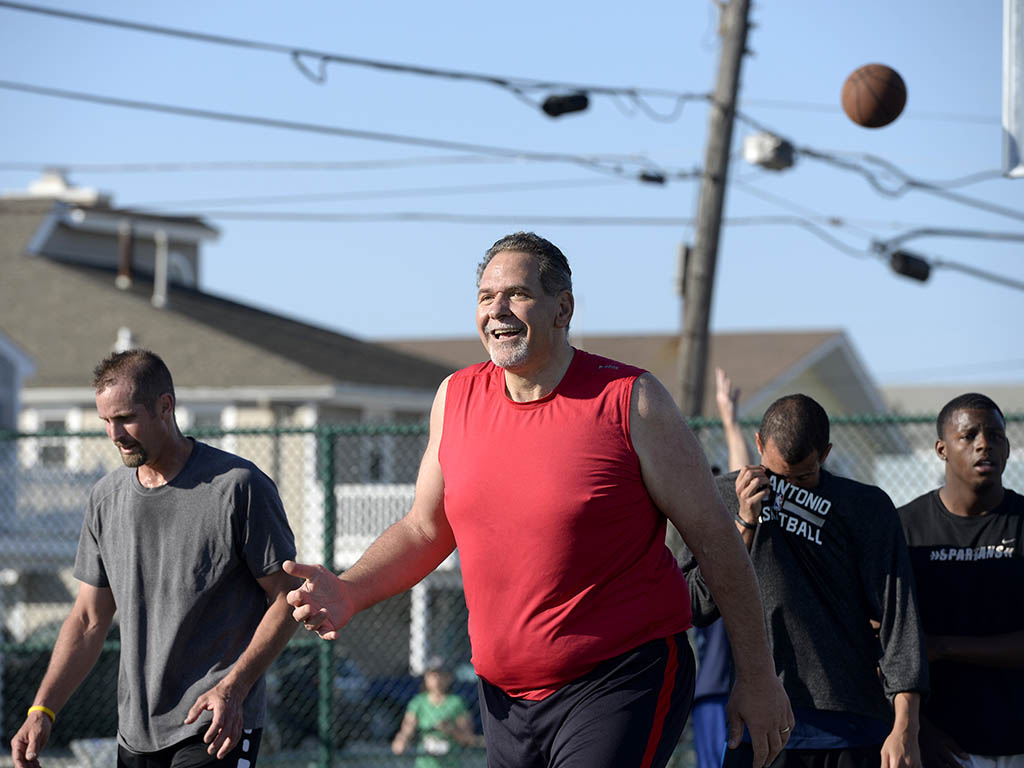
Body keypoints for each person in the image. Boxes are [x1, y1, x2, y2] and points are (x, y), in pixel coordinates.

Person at [283, 232, 792, 768]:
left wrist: (757, 678)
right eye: (484, 297)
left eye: (517, 294)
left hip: (620, 678)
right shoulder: (455, 397)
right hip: (503, 700)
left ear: (562, 308)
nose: (496, 310)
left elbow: (715, 539)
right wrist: (349, 590)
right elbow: (424, 530)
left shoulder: (630, 400)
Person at [9, 349, 300, 768]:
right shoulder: (105, 499)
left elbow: (287, 599)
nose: (114, 433)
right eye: (105, 421)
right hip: (136, 733)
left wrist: (234, 689)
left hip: (214, 724)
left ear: (166, 406)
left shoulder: (239, 487)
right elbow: (89, 619)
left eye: (125, 418)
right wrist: (42, 710)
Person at [682, 393, 928, 768]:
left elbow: (899, 619)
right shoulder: (721, 499)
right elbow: (694, 604)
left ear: (825, 454)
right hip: (762, 723)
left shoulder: (865, 507)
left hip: (853, 726)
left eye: (804, 477)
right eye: (779, 477)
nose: (790, 487)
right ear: (759, 445)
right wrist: (745, 523)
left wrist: (905, 727)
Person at [898, 393, 1024, 768]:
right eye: (968, 436)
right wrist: (915, 729)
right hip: (942, 746)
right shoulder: (904, 529)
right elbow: (880, 645)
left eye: (995, 435)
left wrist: (942, 646)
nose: (984, 443)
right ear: (941, 449)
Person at [691, 368, 751, 768]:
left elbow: (741, 482)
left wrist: (730, 421)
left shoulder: (739, 535)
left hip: (744, 683)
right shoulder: (685, 547)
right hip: (709, 691)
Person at [391, 659, 482, 768]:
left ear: (449, 678)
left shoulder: (456, 703)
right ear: (426, 678)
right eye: (432, 675)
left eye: (441, 675)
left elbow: (468, 738)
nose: (437, 679)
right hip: (424, 764)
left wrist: (450, 729)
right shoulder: (418, 703)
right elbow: (407, 728)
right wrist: (402, 740)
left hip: (450, 763)